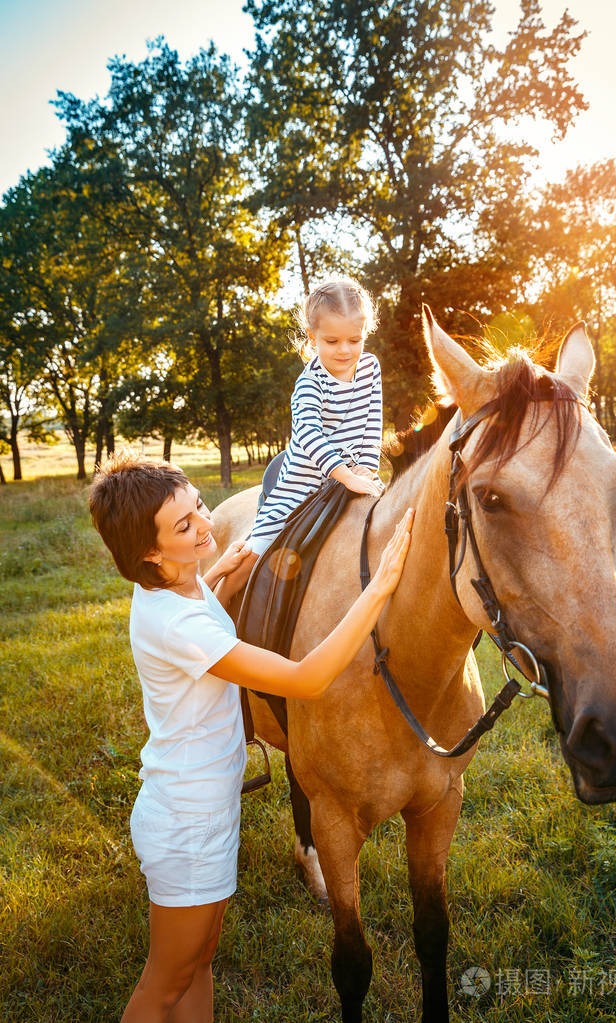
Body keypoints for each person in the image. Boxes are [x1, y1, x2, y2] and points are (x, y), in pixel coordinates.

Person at [88, 452, 413, 1023]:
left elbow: (198, 609)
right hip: (187, 825)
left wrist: (218, 573)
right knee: (165, 982)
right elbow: (305, 678)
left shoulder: (174, 589)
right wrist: (378, 589)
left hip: (203, 810)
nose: (205, 524)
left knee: (199, 965)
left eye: (199, 507)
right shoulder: (179, 624)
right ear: (149, 553)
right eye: (184, 526)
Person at [233, 276, 384, 588]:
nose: (345, 350)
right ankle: (220, 602)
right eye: (332, 341)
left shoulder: (370, 368)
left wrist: (366, 469)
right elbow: (309, 435)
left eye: (354, 340)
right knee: (255, 553)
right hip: (303, 484)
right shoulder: (309, 383)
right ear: (313, 337)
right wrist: (345, 475)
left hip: (356, 473)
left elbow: (373, 424)